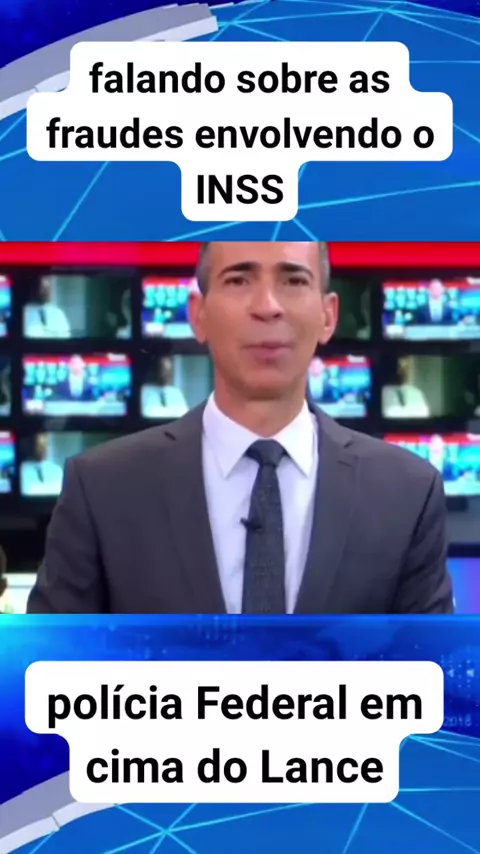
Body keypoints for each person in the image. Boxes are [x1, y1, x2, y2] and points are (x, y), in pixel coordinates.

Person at [27, 241, 454, 615]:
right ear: (198, 315)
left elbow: (433, 674)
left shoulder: (407, 493)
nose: (267, 306)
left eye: (293, 280)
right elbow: (46, 671)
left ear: (328, 316)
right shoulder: (102, 488)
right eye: (238, 280)